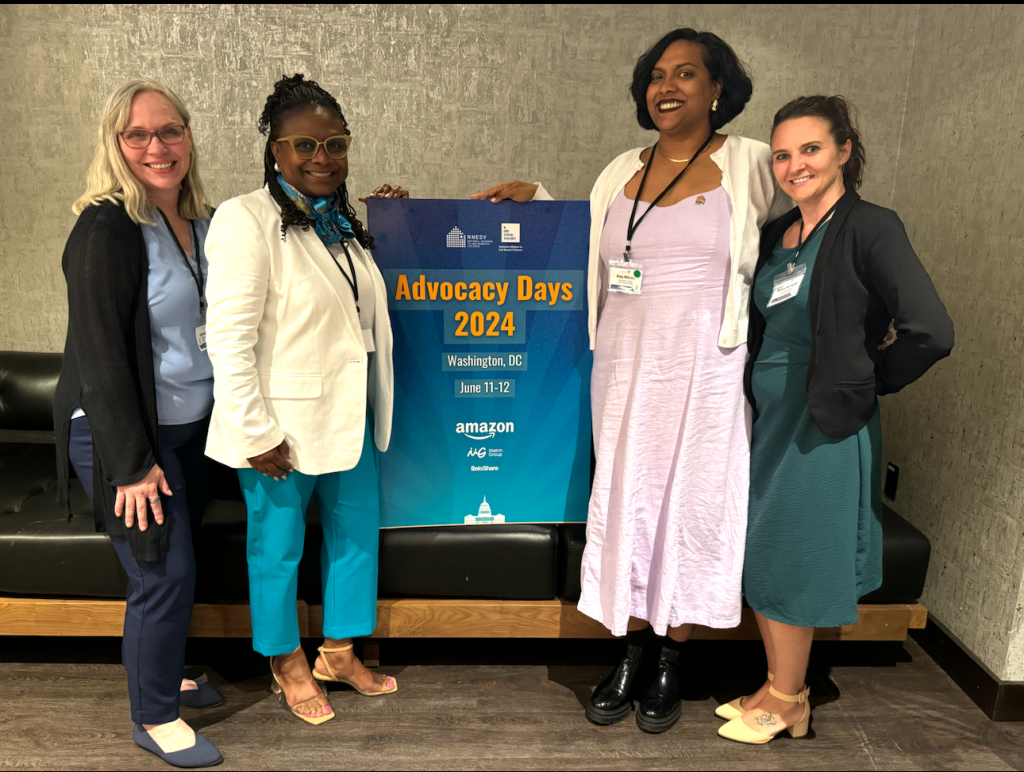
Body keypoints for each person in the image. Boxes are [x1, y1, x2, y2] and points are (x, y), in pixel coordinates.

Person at [475, 28, 790, 733]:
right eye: (655, 74)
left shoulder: (753, 164)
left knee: (691, 506)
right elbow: (595, 248)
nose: (666, 85)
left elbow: (815, 204)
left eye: (685, 73)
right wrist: (542, 202)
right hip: (622, 371)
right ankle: (630, 649)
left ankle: (673, 658)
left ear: (718, 88)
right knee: (630, 505)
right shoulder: (620, 168)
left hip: (707, 376)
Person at [717, 95, 953, 744]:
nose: (796, 165)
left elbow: (932, 330)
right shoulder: (775, 234)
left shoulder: (870, 227)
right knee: (764, 548)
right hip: (769, 419)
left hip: (823, 423)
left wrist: (869, 381)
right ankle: (774, 682)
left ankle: (792, 698)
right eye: (784, 154)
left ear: (845, 150)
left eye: (811, 149)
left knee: (797, 553)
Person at [204, 74, 406, 725]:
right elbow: (228, 338)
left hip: (354, 417)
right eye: (304, 144)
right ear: (275, 151)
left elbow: (355, 315)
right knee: (278, 548)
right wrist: (254, 430)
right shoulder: (245, 219)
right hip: (280, 430)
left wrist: (397, 217)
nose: (322, 157)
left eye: (335, 143)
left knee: (355, 541)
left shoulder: (343, 221)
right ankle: (286, 663)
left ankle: (339, 651)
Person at [54, 81, 224, 768]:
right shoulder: (105, 228)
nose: (157, 147)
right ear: (115, 145)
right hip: (123, 433)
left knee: (193, 560)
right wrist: (129, 463)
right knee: (163, 571)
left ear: (189, 137)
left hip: (193, 428)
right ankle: (154, 715)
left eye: (170, 131)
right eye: (138, 135)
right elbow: (98, 354)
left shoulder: (205, 221)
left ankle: (169, 672)